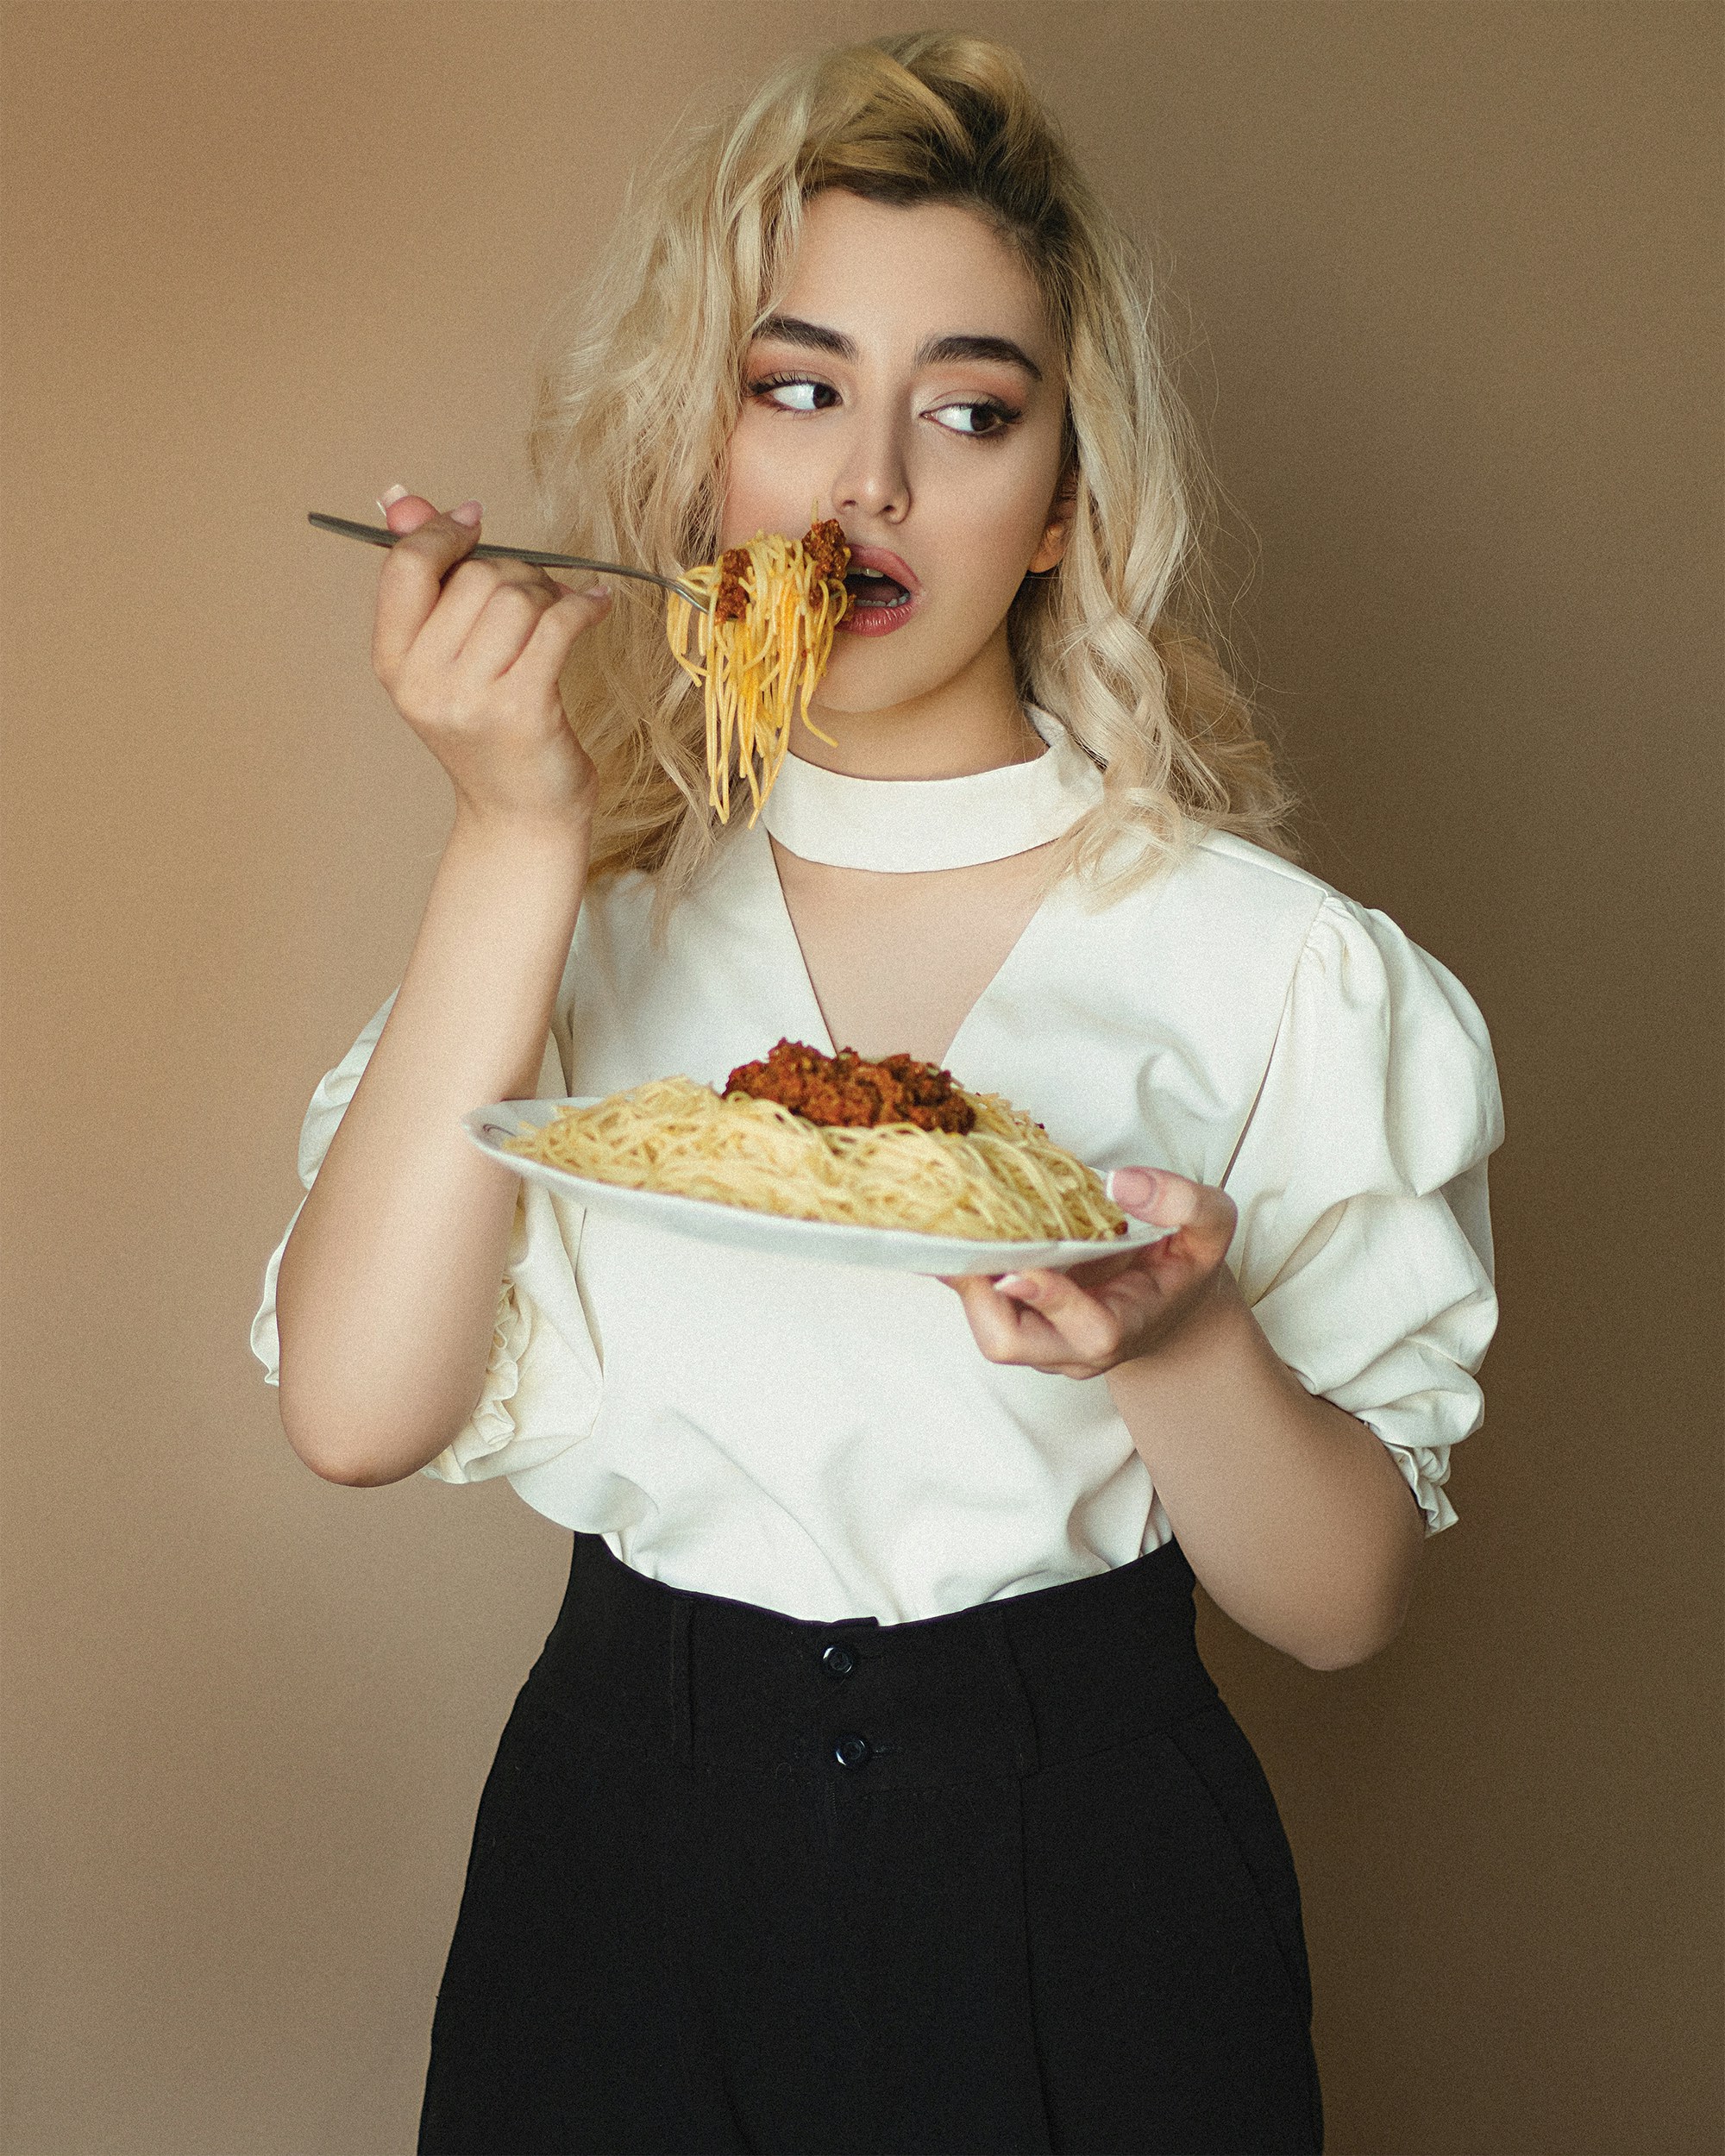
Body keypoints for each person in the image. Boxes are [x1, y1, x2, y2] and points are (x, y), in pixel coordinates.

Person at [252, 30, 1501, 2156]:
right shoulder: (585, 929)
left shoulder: (1271, 962)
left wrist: (1180, 1335)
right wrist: (511, 834)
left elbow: (1342, 1599)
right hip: (624, 1851)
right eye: (798, 385)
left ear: (1062, 501)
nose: (869, 489)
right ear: (699, 455)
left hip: (1084, 1862)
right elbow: (355, 1412)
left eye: (971, 410)